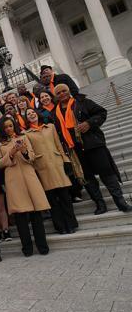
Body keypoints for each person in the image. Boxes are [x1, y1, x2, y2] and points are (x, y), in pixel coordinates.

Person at [53, 83, 132, 214]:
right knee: (87, 178)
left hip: (93, 144)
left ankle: (120, 201)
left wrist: (89, 123)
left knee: (107, 173)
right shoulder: (54, 113)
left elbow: (102, 113)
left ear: (68, 91)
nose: (62, 94)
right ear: (56, 96)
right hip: (75, 150)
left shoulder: (82, 102)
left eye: (64, 91)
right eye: (58, 93)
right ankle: (100, 204)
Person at [0, 117, 50, 257]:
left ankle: (42, 246)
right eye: (6, 127)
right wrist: (11, 153)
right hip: (13, 181)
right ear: (2, 128)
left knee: (36, 213)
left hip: (29, 176)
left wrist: (25, 151)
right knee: (20, 217)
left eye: (11, 125)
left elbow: (32, 156)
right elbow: (0, 163)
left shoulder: (24, 137)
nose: (9, 128)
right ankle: (27, 249)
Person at [24, 108, 78, 234]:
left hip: (57, 164)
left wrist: (65, 160)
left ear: (37, 114)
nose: (31, 115)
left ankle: (71, 224)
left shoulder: (50, 127)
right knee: (53, 201)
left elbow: (58, 144)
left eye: (32, 112)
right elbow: (30, 152)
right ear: (26, 119)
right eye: (28, 114)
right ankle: (60, 227)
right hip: (43, 168)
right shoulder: (26, 134)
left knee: (65, 198)